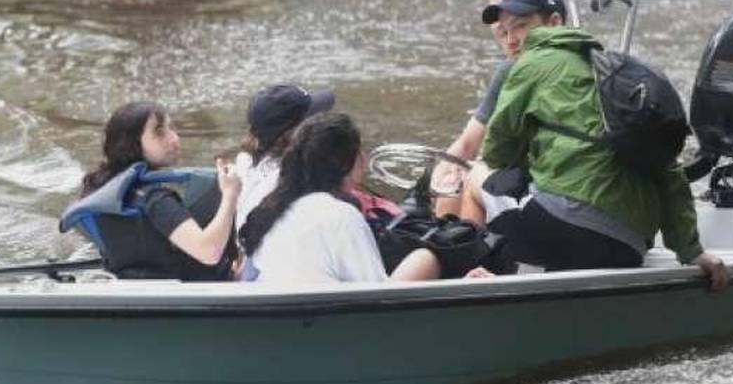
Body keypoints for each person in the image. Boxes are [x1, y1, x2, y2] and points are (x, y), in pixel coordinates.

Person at [467, 0, 731, 290]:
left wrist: (527, 154)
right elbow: (668, 169)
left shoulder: (531, 63)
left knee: (475, 175)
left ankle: (476, 274)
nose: (513, 40)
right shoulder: (613, 73)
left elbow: (497, 152)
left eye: (522, 27)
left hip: (566, 229)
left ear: (554, 22)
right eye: (506, 32)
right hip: (629, 246)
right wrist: (692, 251)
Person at [238, 112, 447, 283]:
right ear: (350, 161)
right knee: (425, 259)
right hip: (329, 323)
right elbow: (377, 292)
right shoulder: (342, 215)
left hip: (288, 315)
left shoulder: (273, 206)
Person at [63, 101, 241, 280]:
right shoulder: (155, 199)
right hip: (184, 295)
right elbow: (209, 252)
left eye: (171, 128)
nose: (174, 139)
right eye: (159, 132)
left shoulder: (110, 194)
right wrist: (230, 194)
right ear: (132, 144)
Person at [431, 0, 554, 216]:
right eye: (501, 27)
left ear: (551, 22)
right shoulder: (586, 56)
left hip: (547, 194)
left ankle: (456, 248)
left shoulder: (515, 69)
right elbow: (469, 143)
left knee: (465, 180)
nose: (508, 33)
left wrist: (441, 181)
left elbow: (484, 150)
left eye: (518, 22)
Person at [233, 84, 335, 230]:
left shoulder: (247, 160)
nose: (319, 122)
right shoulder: (293, 181)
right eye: (311, 118)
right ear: (289, 133)